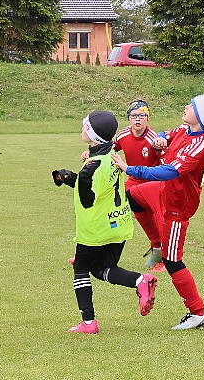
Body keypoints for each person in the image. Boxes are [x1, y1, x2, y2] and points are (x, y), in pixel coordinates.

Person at [112, 94, 204, 330]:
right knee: (133, 195)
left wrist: (130, 169)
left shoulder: (200, 144)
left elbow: (169, 171)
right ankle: (156, 244)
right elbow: (166, 134)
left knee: (173, 261)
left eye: (191, 106)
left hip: (177, 205)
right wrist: (159, 138)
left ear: (201, 116)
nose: (186, 107)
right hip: (162, 191)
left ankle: (198, 313)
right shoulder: (184, 128)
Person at [53, 110, 157, 334]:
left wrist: (79, 179)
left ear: (93, 135)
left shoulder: (92, 166)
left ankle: (88, 322)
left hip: (95, 230)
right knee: (102, 269)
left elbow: (87, 200)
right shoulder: (112, 155)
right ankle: (141, 280)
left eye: (85, 126)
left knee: (81, 268)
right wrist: (72, 177)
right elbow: (101, 186)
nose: (82, 129)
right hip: (118, 224)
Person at [76, 100, 165, 272]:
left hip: (152, 181)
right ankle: (89, 255)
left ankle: (163, 257)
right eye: (133, 116)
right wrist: (90, 152)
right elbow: (108, 148)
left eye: (141, 115)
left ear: (148, 117)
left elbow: (165, 163)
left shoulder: (154, 139)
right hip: (132, 181)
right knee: (112, 213)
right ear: (129, 118)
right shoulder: (123, 134)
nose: (137, 119)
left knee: (160, 219)